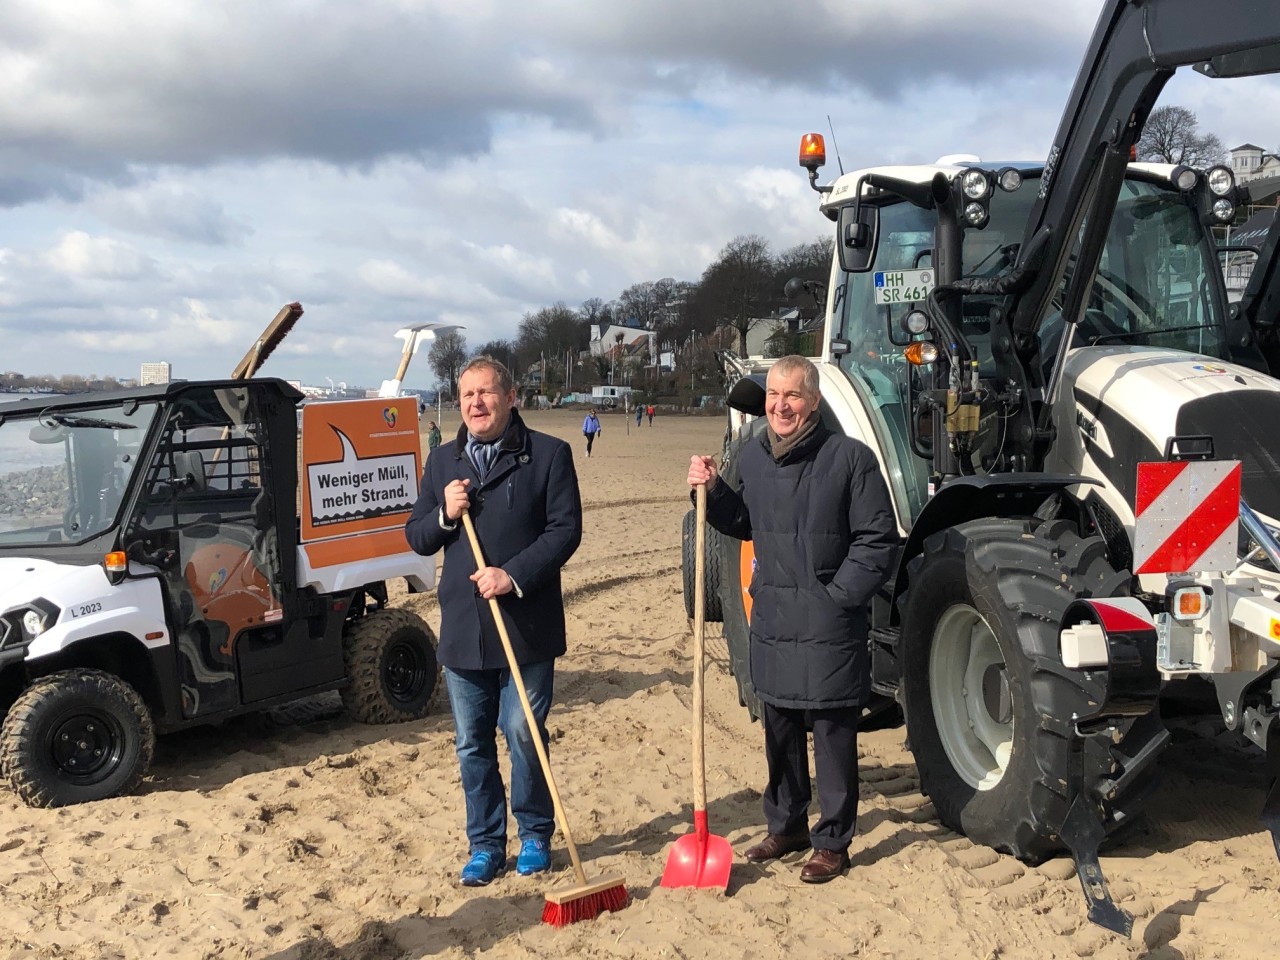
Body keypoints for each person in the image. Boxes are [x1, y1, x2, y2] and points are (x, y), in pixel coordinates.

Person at [686, 355, 896, 884]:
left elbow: (877, 541)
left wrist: (837, 597)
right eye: (774, 395)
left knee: (831, 732)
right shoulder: (755, 458)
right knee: (778, 727)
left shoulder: (851, 459)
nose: (780, 405)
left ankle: (833, 841)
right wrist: (710, 488)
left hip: (828, 620)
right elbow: (744, 523)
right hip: (773, 616)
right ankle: (787, 825)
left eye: (793, 396)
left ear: (814, 402)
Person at [405, 356, 583, 888]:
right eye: (467, 396)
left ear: (511, 398)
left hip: (526, 625)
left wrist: (513, 575)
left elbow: (565, 531)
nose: (476, 404)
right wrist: (443, 515)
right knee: (471, 742)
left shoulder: (549, 455)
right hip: (463, 630)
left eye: (486, 393)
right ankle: (485, 843)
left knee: (522, 731)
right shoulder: (442, 462)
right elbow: (416, 536)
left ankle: (533, 834)